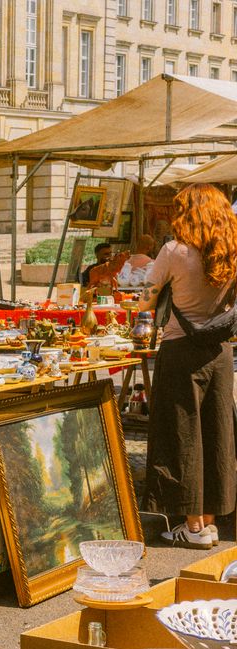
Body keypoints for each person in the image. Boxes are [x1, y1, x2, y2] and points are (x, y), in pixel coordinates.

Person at [139, 184, 237, 548]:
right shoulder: (231, 250)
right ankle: (210, 522)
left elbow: (145, 304)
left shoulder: (174, 251)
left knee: (181, 434)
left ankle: (191, 527)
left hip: (180, 349)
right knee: (216, 433)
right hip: (219, 351)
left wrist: (151, 291)